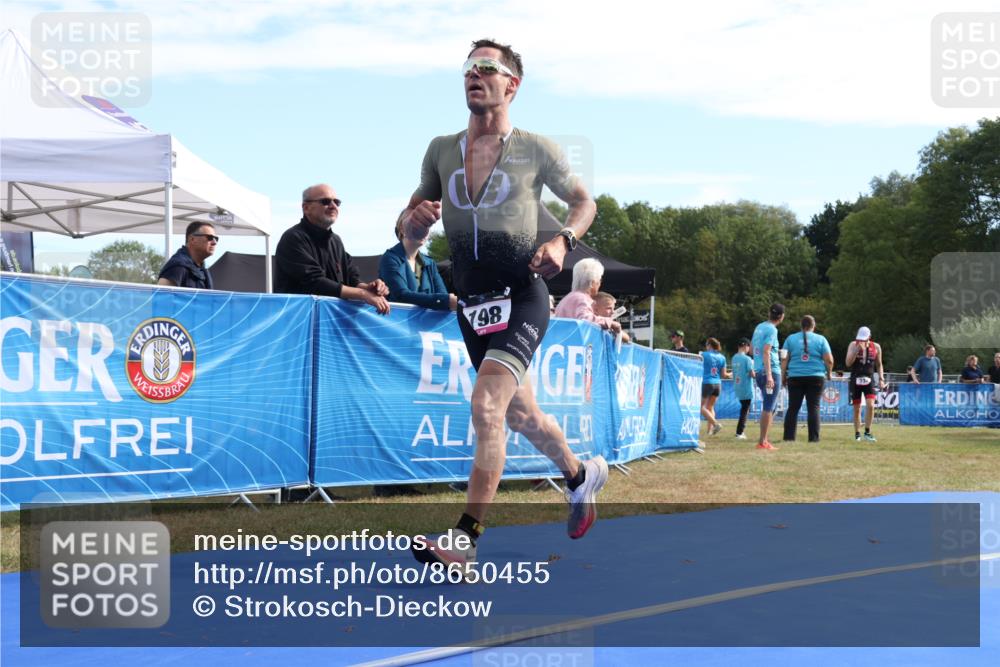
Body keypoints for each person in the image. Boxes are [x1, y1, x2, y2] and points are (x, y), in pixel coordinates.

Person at [401, 39, 606, 573]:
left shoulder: (536, 149)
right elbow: (408, 224)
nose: (474, 74)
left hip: (522, 294)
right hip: (472, 303)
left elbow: (584, 202)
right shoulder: (440, 149)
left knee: (488, 408)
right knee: (521, 414)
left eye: (486, 67)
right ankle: (579, 475)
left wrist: (561, 241)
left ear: (511, 84)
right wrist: (412, 224)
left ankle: (466, 539)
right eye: (468, 67)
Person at [274, 184, 390, 314]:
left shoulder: (336, 241)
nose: (333, 206)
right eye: (325, 201)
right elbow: (314, 282)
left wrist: (369, 288)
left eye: (337, 202)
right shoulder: (293, 238)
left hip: (328, 320)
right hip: (298, 320)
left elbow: (351, 278)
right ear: (306, 208)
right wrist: (362, 294)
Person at [379, 212, 458, 311]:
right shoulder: (390, 258)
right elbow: (401, 295)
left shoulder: (430, 263)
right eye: (417, 226)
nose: (423, 230)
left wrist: (448, 300)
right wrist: (446, 301)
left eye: (426, 226)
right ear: (402, 229)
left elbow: (443, 294)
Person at [780, 315, 834, 443]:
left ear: (801, 325)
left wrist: (783, 376)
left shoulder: (790, 339)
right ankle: (813, 439)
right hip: (816, 377)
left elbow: (784, 359)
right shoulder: (821, 339)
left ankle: (789, 438)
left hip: (795, 377)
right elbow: (829, 360)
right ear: (813, 326)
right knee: (813, 408)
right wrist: (829, 374)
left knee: (793, 408)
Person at [554, 258, 624, 337]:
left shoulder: (567, 298)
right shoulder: (582, 299)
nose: (600, 283)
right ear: (593, 282)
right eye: (600, 280)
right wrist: (610, 322)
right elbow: (586, 320)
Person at [751, 303, 785, 451]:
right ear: (781, 316)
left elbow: (752, 350)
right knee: (768, 406)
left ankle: (764, 440)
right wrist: (770, 375)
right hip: (770, 371)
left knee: (769, 406)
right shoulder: (772, 329)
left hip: (759, 371)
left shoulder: (759, 327)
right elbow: (766, 351)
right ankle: (763, 442)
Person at [846, 326, 885, 442]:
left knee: (871, 405)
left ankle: (867, 432)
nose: (861, 341)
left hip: (869, 379)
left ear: (869, 337)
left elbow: (879, 364)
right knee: (857, 408)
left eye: (864, 339)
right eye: (860, 339)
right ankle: (857, 433)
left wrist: (881, 379)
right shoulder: (853, 344)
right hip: (855, 379)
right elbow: (848, 363)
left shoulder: (876, 346)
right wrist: (856, 350)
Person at [157, 221, 217, 289]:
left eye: (216, 239)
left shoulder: (203, 271)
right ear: (192, 239)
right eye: (209, 237)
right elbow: (161, 294)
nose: (214, 242)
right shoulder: (178, 266)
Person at [700, 338, 731, 436]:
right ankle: (709, 431)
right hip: (718, 384)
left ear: (709, 345)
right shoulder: (722, 357)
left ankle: (715, 424)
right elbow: (724, 375)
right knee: (710, 407)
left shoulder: (704, 355)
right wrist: (732, 374)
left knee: (700, 407)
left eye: (706, 344)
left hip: (707, 383)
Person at [731, 338, 755, 440]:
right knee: (745, 410)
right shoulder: (747, 359)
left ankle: (740, 432)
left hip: (737, 386)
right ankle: (739, 432)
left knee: (744, 409)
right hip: (746, 387)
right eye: (749, 347)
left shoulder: (734, 358)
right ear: (746, 346)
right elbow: (752, 374)